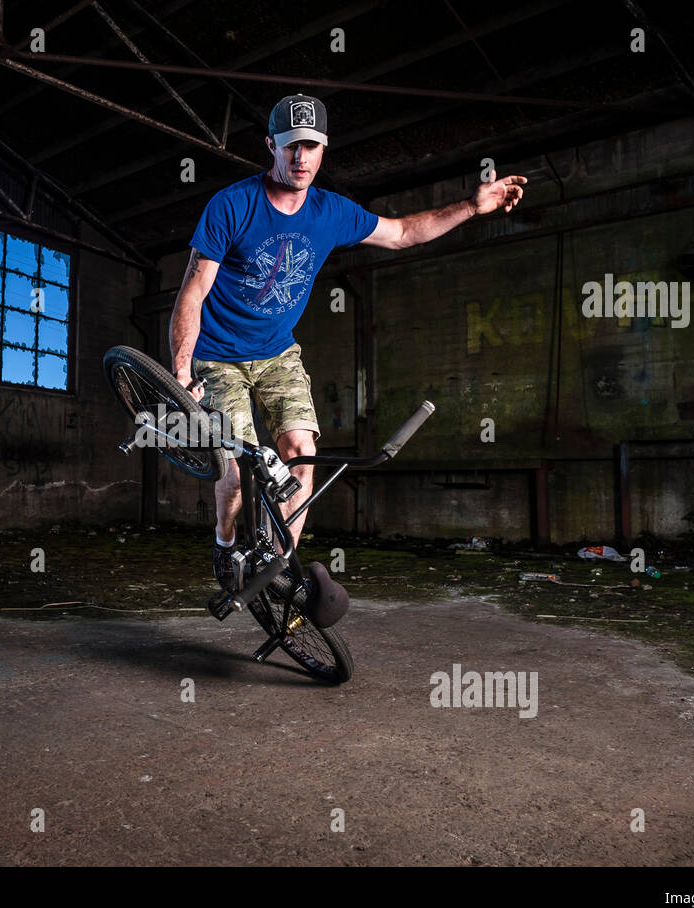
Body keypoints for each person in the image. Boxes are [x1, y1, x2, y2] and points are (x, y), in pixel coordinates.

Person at [167, 93, 526, 589]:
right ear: (272, 145)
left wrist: (471, 205)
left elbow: (401, 233)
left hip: (277, 354)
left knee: (301, 453)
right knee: (236, 472)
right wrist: (182, 371)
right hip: (218, 356)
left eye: (311, 147)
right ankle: (225, 543)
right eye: (291, 146)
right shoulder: (231, 206)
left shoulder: (331, 212)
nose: (300, 158)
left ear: (323, 148)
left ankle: (277, 566)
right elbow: (193, 290)